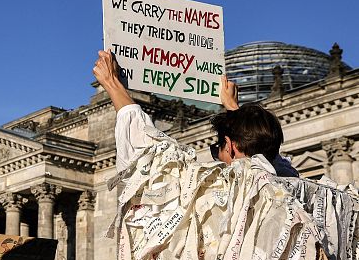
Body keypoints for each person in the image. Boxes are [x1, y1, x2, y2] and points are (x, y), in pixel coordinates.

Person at [92, 50, 298, 176]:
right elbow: (265, 160)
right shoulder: (291, 185)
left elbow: (148, 158)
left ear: (232, 147)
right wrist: (233, 109)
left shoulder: (226, 190)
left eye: (218, 147)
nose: (217, 154)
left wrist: (112, 83)